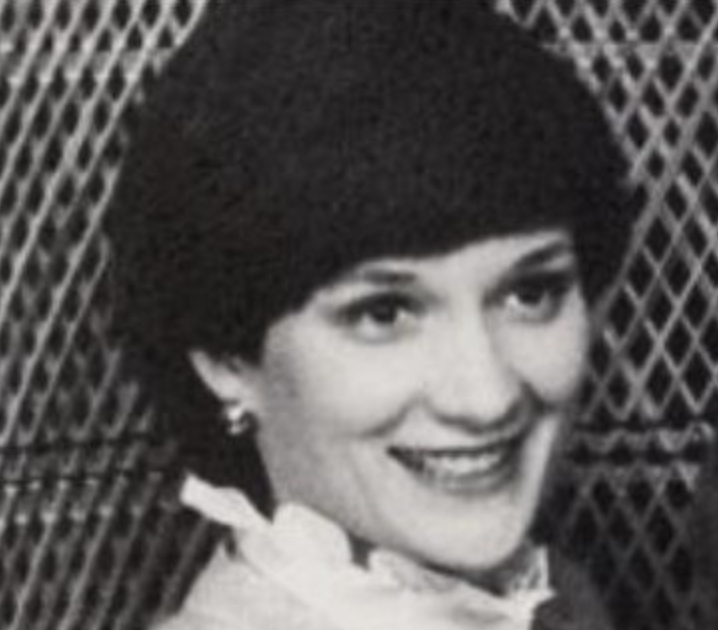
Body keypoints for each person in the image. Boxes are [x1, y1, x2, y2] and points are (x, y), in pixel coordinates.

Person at [106, 2, 634, 629]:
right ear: (226, 360)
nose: (486, 397)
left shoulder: (557, 604)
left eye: (531, 293)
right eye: (384, 313)